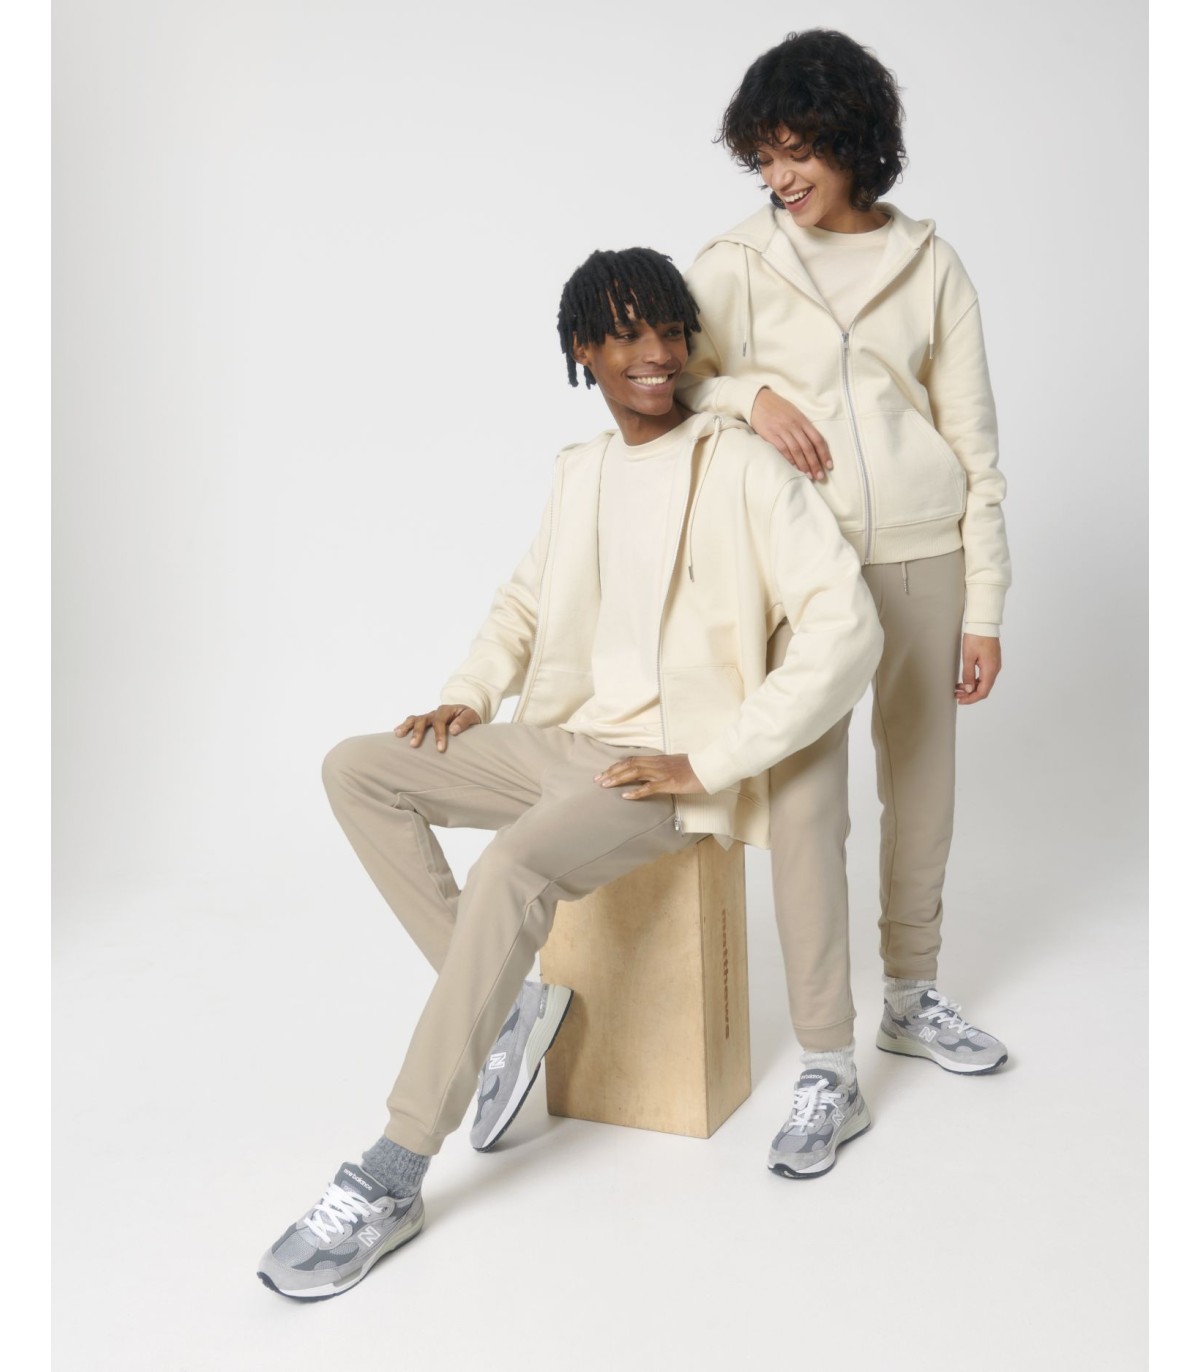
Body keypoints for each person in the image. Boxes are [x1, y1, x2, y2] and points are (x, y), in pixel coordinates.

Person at [256, 247, 883, 1300]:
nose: (656, 353)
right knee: (358, 769)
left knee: (510, 869)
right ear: (583, 350)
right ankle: (506, 1007)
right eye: (627, 334)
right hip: (561, 740)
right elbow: (524, 602)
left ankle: (392, 1172)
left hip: (655, 774)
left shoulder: (739, 467)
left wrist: (710, 759)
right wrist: (469, 691)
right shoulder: (580, 471)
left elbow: (847, 627)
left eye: (670, 331)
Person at [675, 28, 1013, 1170]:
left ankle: (911, 998)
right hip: (801, 566)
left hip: (923, 554)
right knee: (806, 809)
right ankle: (828, 1061)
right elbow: (671, 379)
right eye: (763, 157)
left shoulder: (933, 264)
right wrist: (750, 396)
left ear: (853, 141)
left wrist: (984, 605)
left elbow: (976, 446)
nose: (780, 178)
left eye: (798, 152)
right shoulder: (734, 260)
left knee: (922, 789)